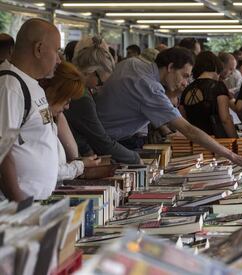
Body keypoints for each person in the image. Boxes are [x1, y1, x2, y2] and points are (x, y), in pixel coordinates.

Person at [95, 47, 242, 171]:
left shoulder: (133, 64)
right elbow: (188, 130)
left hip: (99, 132)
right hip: (107, 141)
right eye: (184, 75)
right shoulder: (150, 88)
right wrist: (233, 156)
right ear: (170, 67)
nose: (185, 82)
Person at [0, 19, 61, 201]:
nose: (59, 59)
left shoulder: (31, 84)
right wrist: (20, 205)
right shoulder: (10, 86)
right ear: (39, 49)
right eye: (57, 51)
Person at [65, 36, 141, 164]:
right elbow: (102, 142)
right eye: (100, 82)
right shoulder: (81, 96)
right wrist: (135, 158)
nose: (99, 88)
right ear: (90, 71)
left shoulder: (73, 87)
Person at [43, 61, 101, 181]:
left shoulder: (48, 117)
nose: (67, 107)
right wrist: (80, 165)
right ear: (54, 93)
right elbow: (50, 170)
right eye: (66, 100)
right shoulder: (42, 116)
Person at [180, 51, 237, 138]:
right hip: (216, 142)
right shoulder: (218, 87)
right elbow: (225, 119)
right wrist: (236, 139)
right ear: (216, 66)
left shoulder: (186, 90)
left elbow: (183, 119)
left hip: (195, 141)